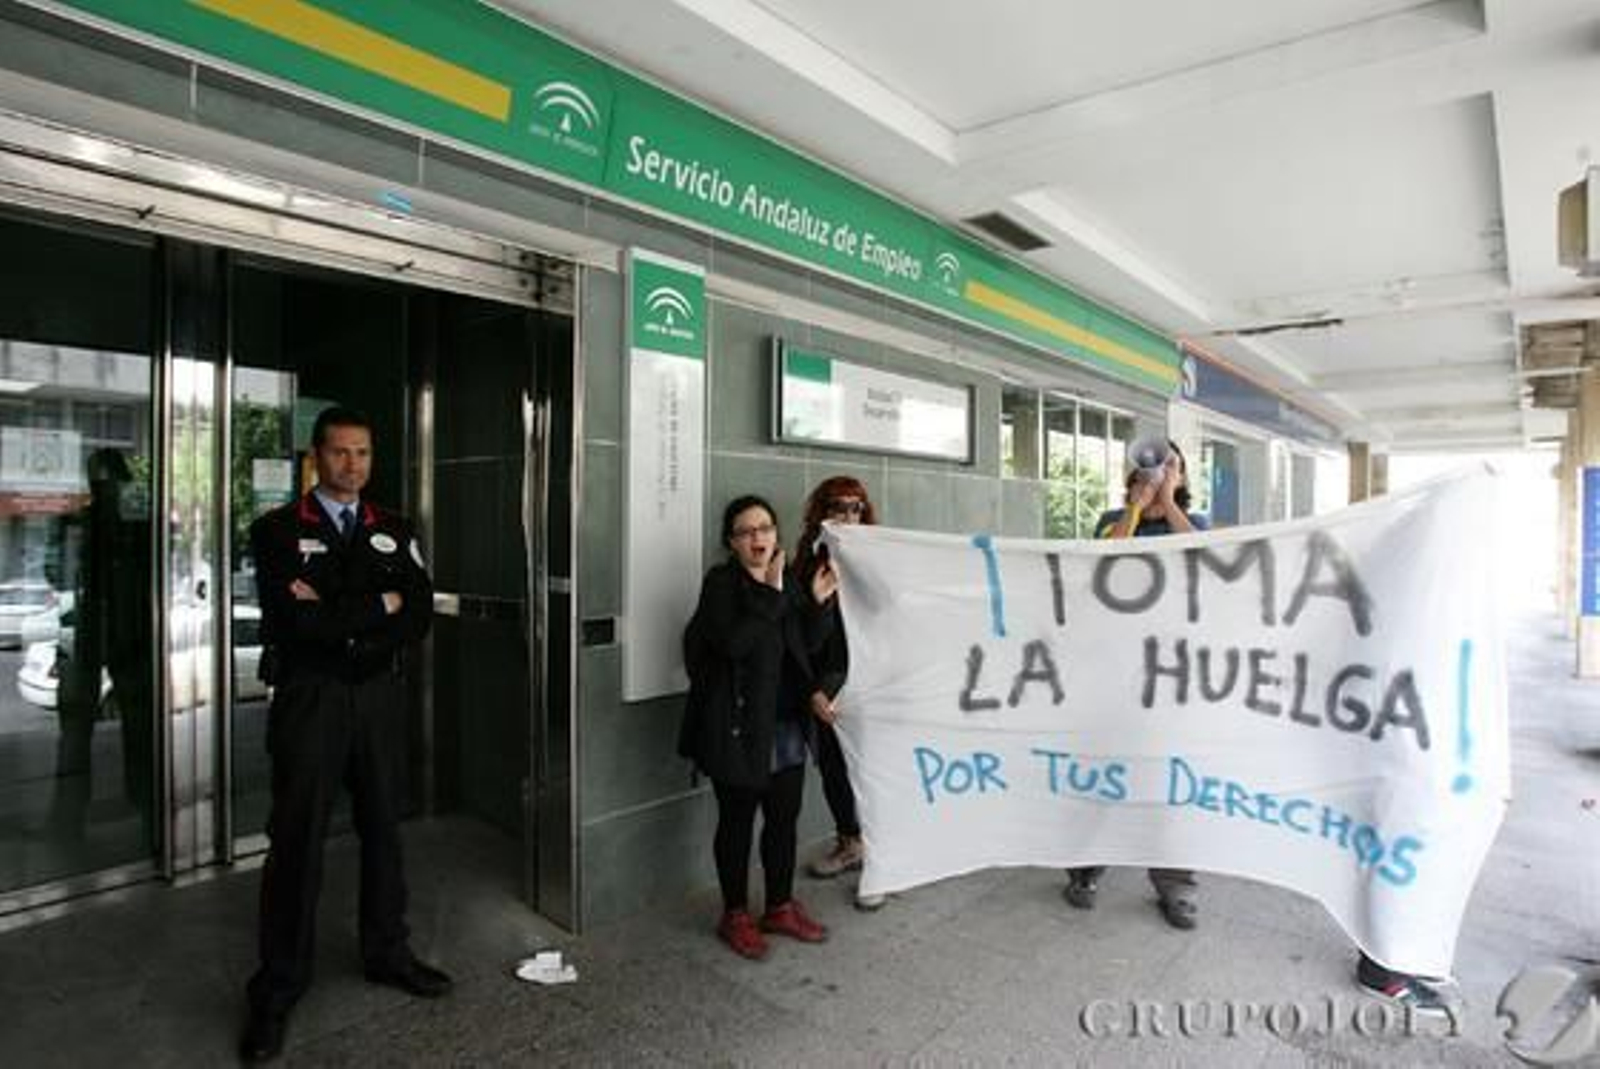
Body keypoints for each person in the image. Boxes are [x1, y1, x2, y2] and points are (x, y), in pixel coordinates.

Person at [239, 407, 447, 1063]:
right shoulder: (276, 530)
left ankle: (387, 951)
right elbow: (293, 623)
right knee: (297, 836)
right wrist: (374, 605)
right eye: (339, 452)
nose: (352, 464)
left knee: (385, 825)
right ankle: (277, 987)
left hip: (377, 698)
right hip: (311, 697)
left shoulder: (394, 528)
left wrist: (339, 610)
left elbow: (417, 611)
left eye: (362, 452)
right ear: (316, 457)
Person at [680, 495, 838, 960]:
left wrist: (817, 605)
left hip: (786, 726)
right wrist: (769, 594)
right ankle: (734, 914)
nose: (758, 538)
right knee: (736, 824)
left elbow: (802, 647)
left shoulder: (787, 580)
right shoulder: (721, 585)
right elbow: (733, 645)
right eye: (746, 531)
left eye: (765, 528)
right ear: (731, 542)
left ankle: (779, 907)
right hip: (736, 730)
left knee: (783, 822)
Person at [1064, 439, 1209, 930]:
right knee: (1105, 773)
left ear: (1184, 477)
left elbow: (1205, 559)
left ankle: (1176, 885)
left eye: (1172, 468)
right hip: (1112, 672)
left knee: (1171, 781)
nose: (1159, 473)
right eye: (1150, 468)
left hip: (1173, 676)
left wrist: (1166, 504)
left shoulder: (1197, 523)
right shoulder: (1113, 519)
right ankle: (1085, 869)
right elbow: (1103, 562)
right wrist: (1136, 508)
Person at [793, 476, 885, 910]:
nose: (847, 515)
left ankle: (881, 862)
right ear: (822, 513)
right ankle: (850, 844)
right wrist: (813, 689)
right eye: (837, 507)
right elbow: (795, 640)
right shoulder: (807, 564)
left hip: (869, 683)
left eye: (855, 507)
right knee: (833, 771)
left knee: (871, 772)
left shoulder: (881, 562)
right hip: (826, 686)